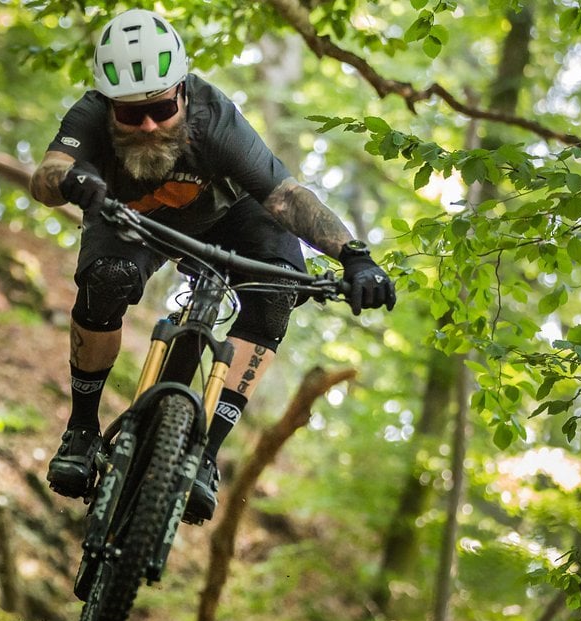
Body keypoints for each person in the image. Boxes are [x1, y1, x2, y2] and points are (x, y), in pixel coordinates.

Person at [30, 9, 395, 522]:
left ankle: (204, 453)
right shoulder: (89, 116)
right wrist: (69, 182)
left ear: (181, 92)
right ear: (109, 106)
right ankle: (82, 430)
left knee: (274, 297)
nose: (149, 125)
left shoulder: (214, 118)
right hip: (132, 220)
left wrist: (355, 256)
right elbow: (48, 172)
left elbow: (287, 198)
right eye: (131, 115)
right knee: (105, 281)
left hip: (231, 218)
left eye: (160, 108)